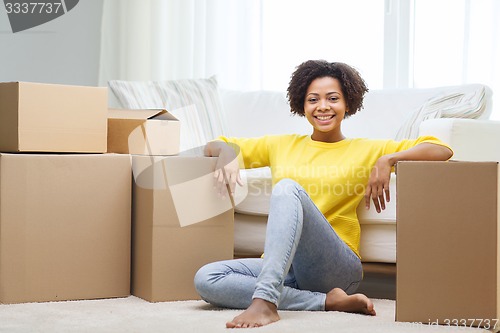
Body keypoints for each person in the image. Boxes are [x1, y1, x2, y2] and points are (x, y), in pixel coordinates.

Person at [194, 60, 453, 329]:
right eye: (313, 99)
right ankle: (325, 302)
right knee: (207, 278)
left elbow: (441, 149)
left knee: (287, 188)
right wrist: (226, 153)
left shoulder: (367, 149)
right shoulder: (280, 144)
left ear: (348, 103)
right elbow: (216, 144)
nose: (323, 106)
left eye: (333, 98)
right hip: (286, 269)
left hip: (337, 267)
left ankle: (265, 303)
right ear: (302, 105)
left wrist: (389, 159)